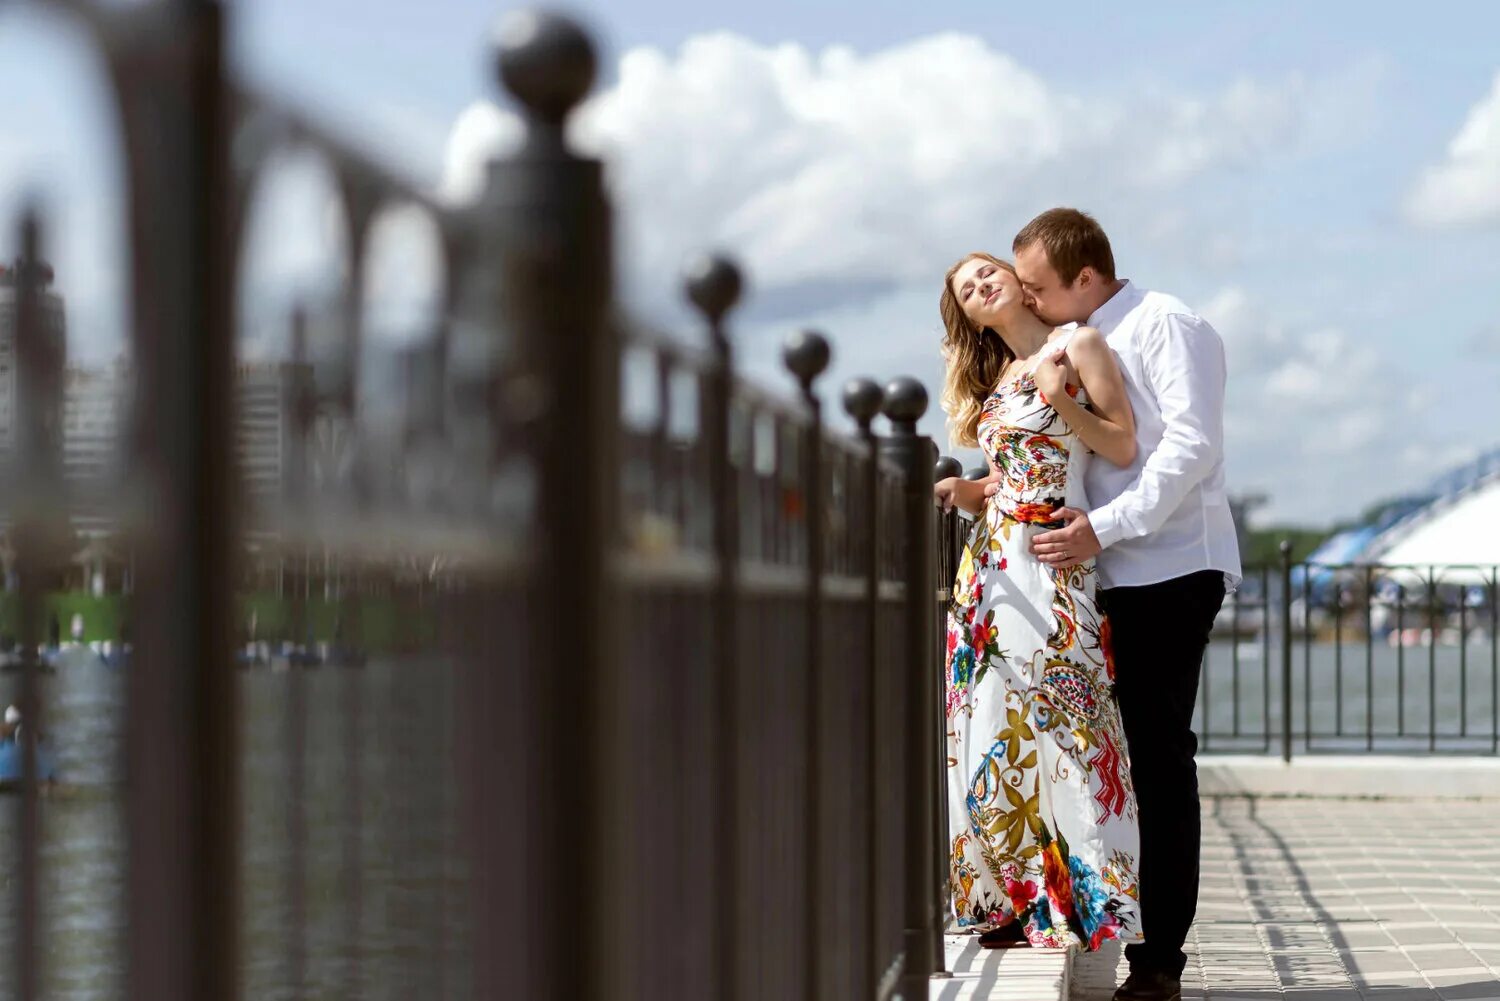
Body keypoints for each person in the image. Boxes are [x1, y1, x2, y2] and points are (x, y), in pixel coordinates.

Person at [1002, 208, 1242, 1001]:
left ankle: (1159, 963)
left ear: (1086, 276)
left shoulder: (1165, 322)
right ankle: (1101, 924)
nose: (1028, 300)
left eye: (1038, 287)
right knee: (1110, 759)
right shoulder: (1067, 341)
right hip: (1103, 573)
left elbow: (1192, 446)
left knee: (1157, 760)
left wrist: (1104, 528)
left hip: (1168, 569)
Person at [934, 251, 1143, 954]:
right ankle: (1009, 896)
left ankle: (1084, 898)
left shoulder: (1076, 345)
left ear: (1016, 280)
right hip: (990, 568)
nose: (980, 286)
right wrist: (972, 491)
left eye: (986, 272)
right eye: (967, 290)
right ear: (967, 314)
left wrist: (1060, 399)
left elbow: (1120, 444)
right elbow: (1009, 472)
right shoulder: (996, 379)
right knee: (992, 724)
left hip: (1053, 559)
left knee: (1067, 723)